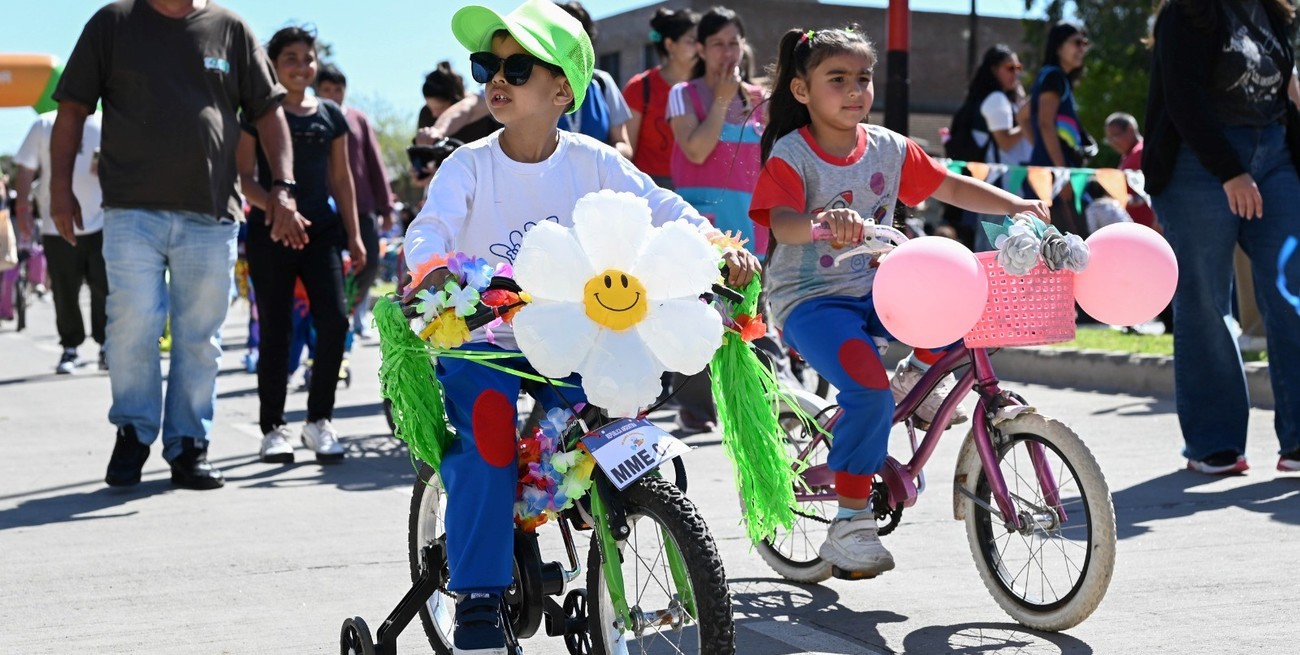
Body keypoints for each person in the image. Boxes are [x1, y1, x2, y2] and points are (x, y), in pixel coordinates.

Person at [401, 1, 759, 651]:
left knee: (607, 421)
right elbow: (431, 229)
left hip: (573, 339)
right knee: (487, 440)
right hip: (485, 340)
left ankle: (603, 515)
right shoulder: (470, 166)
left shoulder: (596, 162)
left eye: (515, 66)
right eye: (488, 66)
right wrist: (430, 267)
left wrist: (715, 245)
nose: (495, 80)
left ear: (563, 87)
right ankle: (479, 597)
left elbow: (662, 208)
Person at [749, 26, 1048, 576]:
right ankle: (849, 524)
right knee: (867, 392)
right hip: (812, 299)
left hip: (880, 286)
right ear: (801, 91)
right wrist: (821, 223)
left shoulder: (888, 146)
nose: (855, 90)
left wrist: (1014, 205)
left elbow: (950, 186)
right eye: (836, 80)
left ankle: (915, 383)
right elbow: (782, 223)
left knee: (963, 320)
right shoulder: (793, 154)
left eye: (862, 78)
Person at [51, 0, 292, 490]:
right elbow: (73, 108)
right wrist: (59, 189)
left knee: (200, 336)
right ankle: (134, 433)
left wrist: (283, 188)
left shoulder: (230, 29)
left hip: (210, 212)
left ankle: (187, 445)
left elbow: (268, 113)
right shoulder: (112, 23)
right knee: (132, 321)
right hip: (130, 209)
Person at [1144, 0, 1300, 475]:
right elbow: (1182, 99)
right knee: (1206, 301)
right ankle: (1216, 443)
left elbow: (1283, 93)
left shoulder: (1277, 13)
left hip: (1273, 155)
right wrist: (1230, 171)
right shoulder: (1185, 14)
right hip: (1197, 163)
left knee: (1292, 292)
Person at [238, 27, 366, 465]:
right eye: (289, 57)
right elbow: (243, 178)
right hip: (269, 233)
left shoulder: (330, 114)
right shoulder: (258, 111)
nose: (301, 65)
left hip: (322, 234)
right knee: (277, 330)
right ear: (272, 65)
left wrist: (355, 233)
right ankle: (273, 428)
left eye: (307, 57)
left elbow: (342, 179)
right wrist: (278, 210)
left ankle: (319, 421)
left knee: (335, 321)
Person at [13, 110, 109, 374]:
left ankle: (106, 347)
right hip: (57, 223)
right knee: (65, 291)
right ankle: (70, 347)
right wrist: (23, 208)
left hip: (102, 221)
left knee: (105, 288)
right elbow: (25, 167)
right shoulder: (45, 122)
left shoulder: (106, 120)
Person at [667, 6, 767, 255]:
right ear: (701, 49)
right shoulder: (682, 94)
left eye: (734, 43)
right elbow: (696, 152)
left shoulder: (762, 100)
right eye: (717, 44)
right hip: (704, 233)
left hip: (752, 233)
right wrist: (722, 100)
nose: (728, 52)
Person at [314, 63, 395, 339]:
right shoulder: (311, 118)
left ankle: (352, 311)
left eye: (338, 89)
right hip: (325, 210)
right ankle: (332, 317)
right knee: (330, 268)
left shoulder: (357, 119)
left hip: (362, 207)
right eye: (326, 90)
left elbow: (374, 162)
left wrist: (385, 206)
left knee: (370, 262)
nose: (333, 95)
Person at [952, 44, 1034, 250]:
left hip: (1004, 184)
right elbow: (1005, 142)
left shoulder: (1000, 98)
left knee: (1002, 248)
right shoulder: (996, 99)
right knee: (996, 249)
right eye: (1009, 68)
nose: (1016, 73)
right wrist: (1025, 121)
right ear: (994, 70)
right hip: (1001, 185)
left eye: (1018, 67)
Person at [1029, 22, 1094, 236]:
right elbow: (1045, 123)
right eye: (1076, 42)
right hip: (1056, 181)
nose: (1082, 49)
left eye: (1084, 43)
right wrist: (1062, 173)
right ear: (1058, 46)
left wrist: (1039, 148)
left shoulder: (1050, 76)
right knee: (1073, 250)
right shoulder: (1054, 77)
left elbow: (1023, 117)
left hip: (1049, 175)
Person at [622, 8, 698, 188]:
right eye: (691, 41)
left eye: (701, 40)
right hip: (651, 188)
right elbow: (626, 149)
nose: (699, 47)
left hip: (696, 186)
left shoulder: (706, 87)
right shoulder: (639, 87)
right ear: (670, 45)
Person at [1102, 112, 1159, 231]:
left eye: (1115, 135)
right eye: (1109, 139)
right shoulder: (1127, 155)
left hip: (1151, 228)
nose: (1113, 142)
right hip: (1138, 228)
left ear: (1130, 129)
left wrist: (1158, 220)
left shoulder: (1141, 152)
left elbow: (1155, 188)